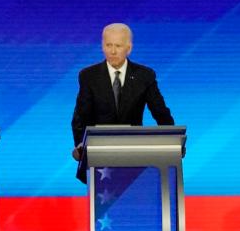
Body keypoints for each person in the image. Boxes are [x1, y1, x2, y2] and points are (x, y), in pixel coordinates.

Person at [70, 22, 175, 182]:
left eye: (118, 46)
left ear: (129, 48)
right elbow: (80, 118)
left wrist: (172, 142)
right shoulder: (88, 76)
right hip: (99, 158)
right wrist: (80, 146)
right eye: (108, 45)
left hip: (134, 155)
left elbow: (160, 113)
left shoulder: (144, 76)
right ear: (102, 46)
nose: (112, 51)